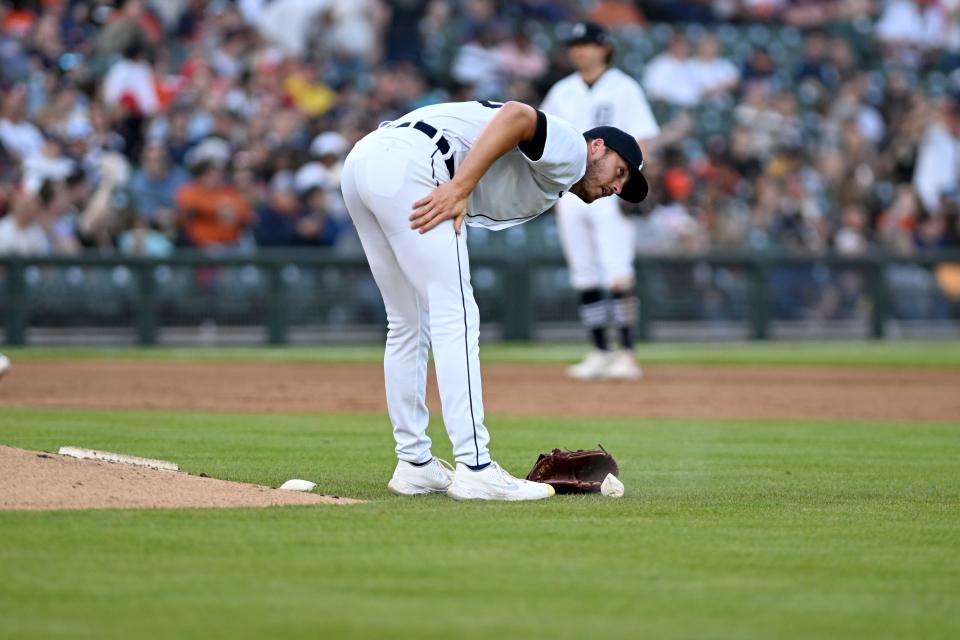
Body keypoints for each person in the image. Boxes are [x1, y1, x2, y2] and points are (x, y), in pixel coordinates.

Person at [341, 99, 649, 501]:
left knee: (406, 323)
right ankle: (475, 466)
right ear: (597, 147)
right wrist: (459, 185)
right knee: (457, 315)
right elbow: (518, 115)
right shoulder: (574, 150)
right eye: (620, 171)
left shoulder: (557, 177)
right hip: (413, 162)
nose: (617, 187)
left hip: (366, 161)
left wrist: (458, 183)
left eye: (624, 186)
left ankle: (414, 463)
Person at [540, 22, 660, 380]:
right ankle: (599, 351)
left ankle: (626, 353)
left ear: (604, 48)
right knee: (584, 272)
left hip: (610, 191)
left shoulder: (623, 88)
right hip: (571, 191)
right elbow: (544, 136)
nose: (580, 50)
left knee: (618, 270)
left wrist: (633, 184)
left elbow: (644, 141)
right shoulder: (562, 91)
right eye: (575, 44)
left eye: (588, 43)